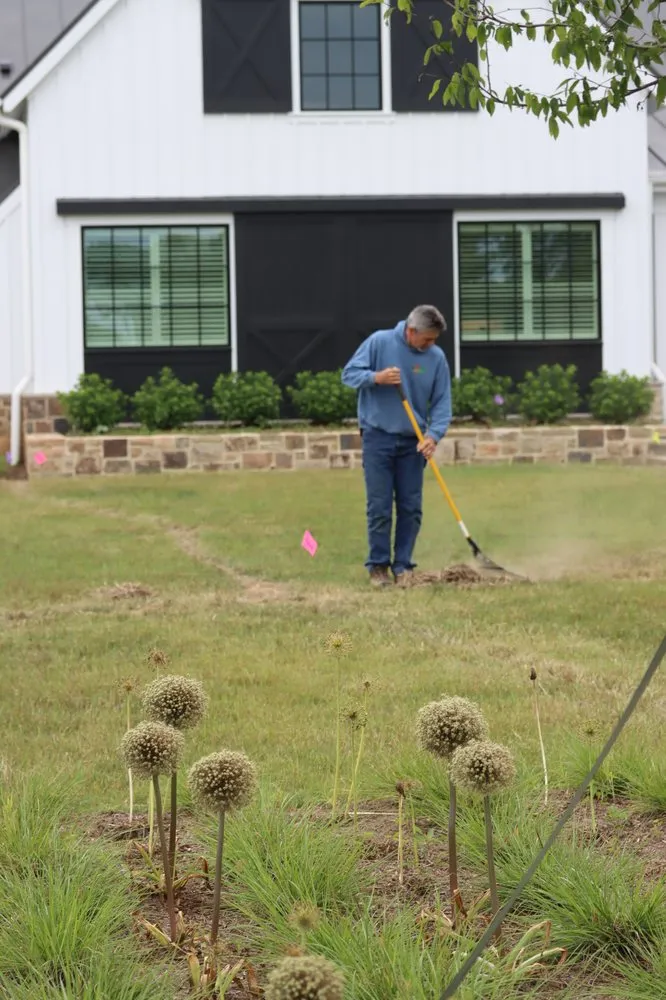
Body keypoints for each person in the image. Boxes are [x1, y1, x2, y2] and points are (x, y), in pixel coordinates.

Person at [341, 305, 452, 587]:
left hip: (413, 443)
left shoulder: (436, 358)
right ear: (411, 331)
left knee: (411, 507)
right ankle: (378, 567)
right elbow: (349, 374)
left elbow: (442, 403)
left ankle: (403, 566)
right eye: (427, 339)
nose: (431, 344)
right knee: (379, 506)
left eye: (434, 340)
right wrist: (375, 378)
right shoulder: (379, 342)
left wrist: (433, 436)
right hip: (378, 437)